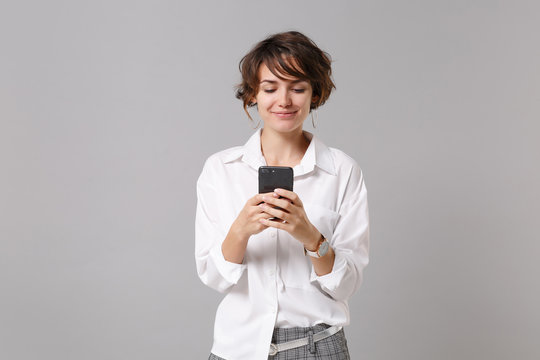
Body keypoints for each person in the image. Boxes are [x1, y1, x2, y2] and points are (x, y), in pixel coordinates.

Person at [195, 31, 369, 360]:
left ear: (315, 93)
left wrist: (310, 236)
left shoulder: (342, 171)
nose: (284, 100)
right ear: (252, 94)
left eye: (298, 88)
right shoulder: (221, 169)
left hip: (319, 348)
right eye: (270, 88)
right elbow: (215, 277)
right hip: (239, 347)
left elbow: (346, 285)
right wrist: (241, 230)